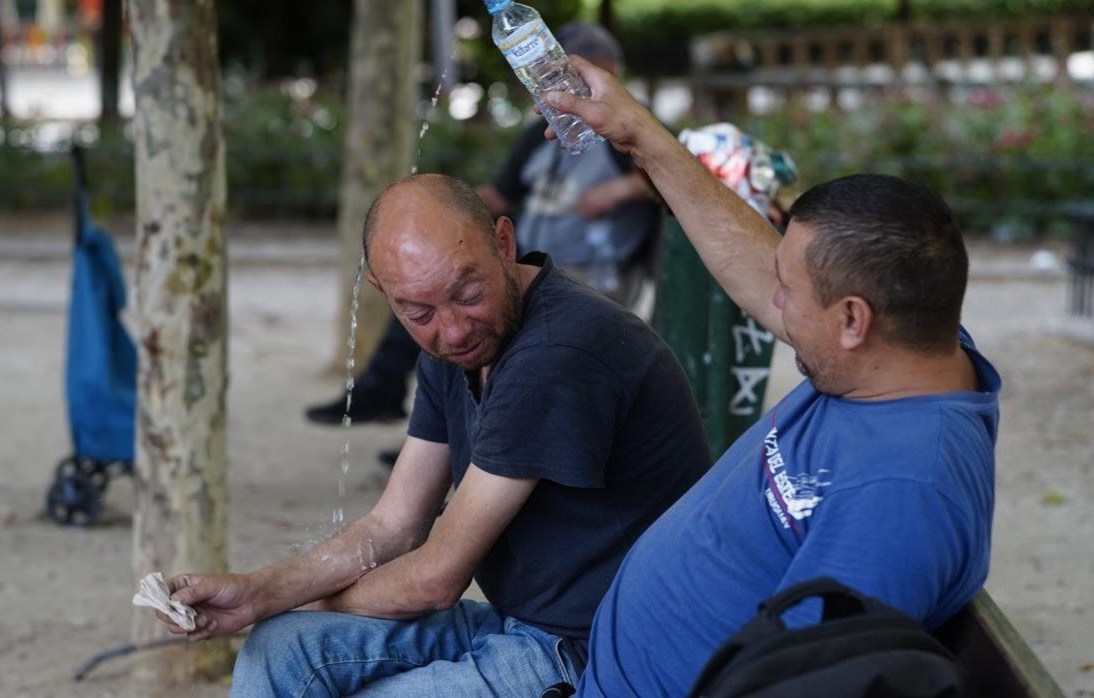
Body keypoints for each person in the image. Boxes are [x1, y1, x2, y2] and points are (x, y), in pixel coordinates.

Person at [539, 59, 1002, 695]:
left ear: (851, 319)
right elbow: (761, 271)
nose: (773, 302)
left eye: (789, 291)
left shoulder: (899, 494)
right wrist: (641, 134)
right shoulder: (909, 353)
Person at [157, 174, 712, 696]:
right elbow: (393, 525)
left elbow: (434, 580)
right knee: (282, 649)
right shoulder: (459, 346)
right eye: (417, 310)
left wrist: (281, 600)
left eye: (468, 294)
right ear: (382, 289)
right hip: (524, 624)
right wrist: (257, 594)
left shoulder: (556, 352)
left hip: (596, 651)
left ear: (503, 242)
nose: (451, 329)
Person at [304, 22, 661, 432]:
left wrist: (619, 189)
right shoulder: (538, 132)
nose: (569, 87)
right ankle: (389, 397)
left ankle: (467, 441)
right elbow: (500, 195)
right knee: (425, 289)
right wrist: (439, 209)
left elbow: (675, 170)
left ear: (610, 74)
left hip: (588, 268)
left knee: (471, 308)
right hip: (528, 253)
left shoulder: (625, 132)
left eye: (583, 75)